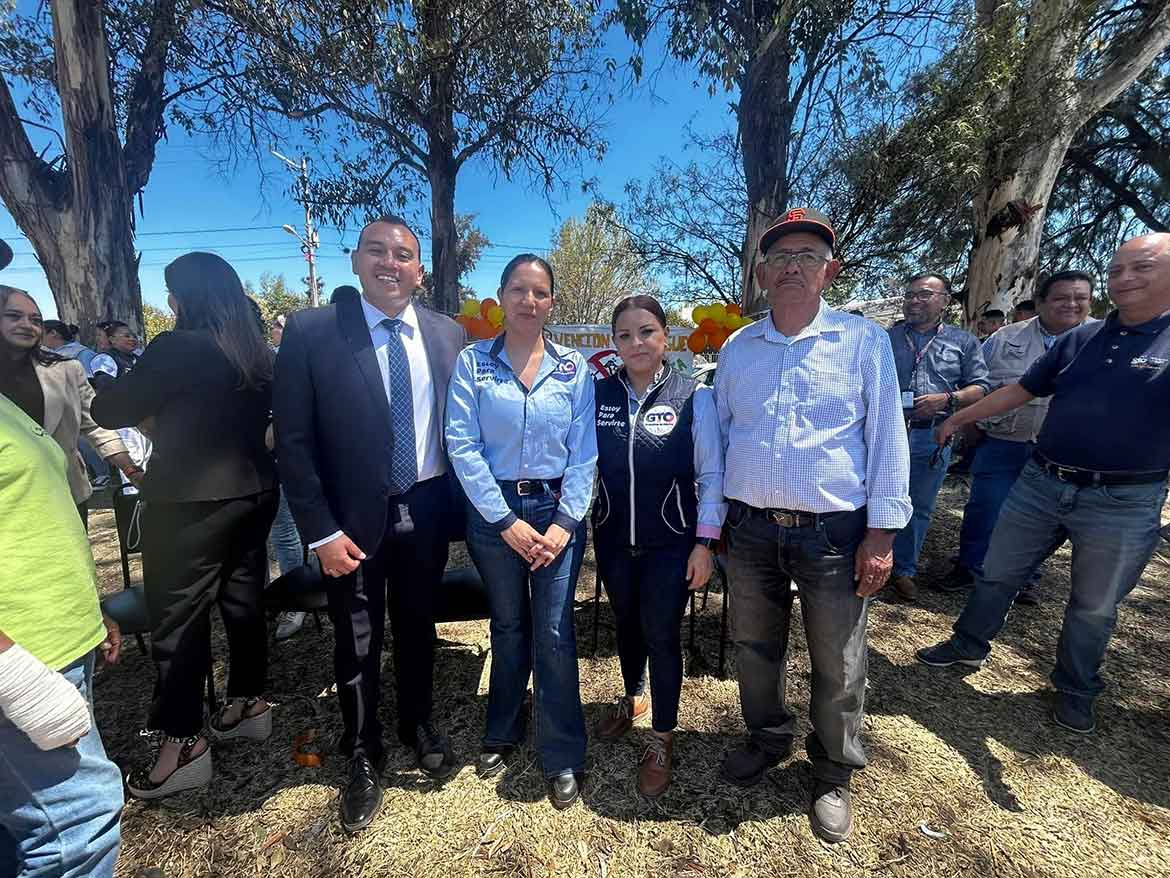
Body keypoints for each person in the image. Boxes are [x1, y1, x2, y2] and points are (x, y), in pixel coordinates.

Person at [918, 233, 1170, 736]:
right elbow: (1021, 389)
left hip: (1123, 499)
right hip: (1042, 482)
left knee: (1093, 605)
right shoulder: (1082, 338)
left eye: (1141, 267)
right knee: (996, 572)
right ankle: (968, 645)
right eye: (1116, 269)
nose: (1123, 279)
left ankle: (1076, 687)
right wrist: (959, 417)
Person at [714, 207, 911, 843]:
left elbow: (887, 438)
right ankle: (767, 737)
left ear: (830, 270)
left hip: (834, 534)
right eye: (779, 257)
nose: (792, 267)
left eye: (807, 256)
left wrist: (882, 534)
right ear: (762, 274)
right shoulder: (738, 349)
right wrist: (716, 522)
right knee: (754, 648)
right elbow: (720, 439)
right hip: (750, 531)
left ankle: (832, 769)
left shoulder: (863, 341)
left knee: (838, 660)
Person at [273, 216, 465, 834]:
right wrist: (321, 532)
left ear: (420, 270)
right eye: (376, 251)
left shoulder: (448, 333)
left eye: (404, 254)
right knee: (356, 639)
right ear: (355, 261)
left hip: (427, 508)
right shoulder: (312, 331)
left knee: (417, 626)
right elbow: (294, 444)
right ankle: (362, 748)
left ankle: (416, 722)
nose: (390, 263)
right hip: (348, 524)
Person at [93, 252, 278, 799]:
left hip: (186, 499)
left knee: (178, 619)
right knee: (244, 600)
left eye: (171, 291)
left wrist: (130, 401)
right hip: (255, 490)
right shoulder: (256, 353)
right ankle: (248, 703)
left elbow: (110, 411)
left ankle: (182, 742)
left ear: (183, 297)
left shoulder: (174, 348)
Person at [446, 254, 597, 811]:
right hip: (496, 514)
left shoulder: (574, 369)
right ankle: (503, 727)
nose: (528, 301)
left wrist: (563, 525)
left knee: (554, 631)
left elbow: (584, 453)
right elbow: (462, 445)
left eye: (539, 292)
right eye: (518, 290)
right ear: (502, 296)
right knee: (508, 624)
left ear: (551, 301)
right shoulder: (473, 363)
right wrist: (505, 521)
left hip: (557, 509)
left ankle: (561, 751)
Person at [591, 294, 724, 798]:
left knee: (662, 635)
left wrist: (705, 543)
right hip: (612, 539)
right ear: (614, 343)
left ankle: (662, 737)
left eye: (646, 331)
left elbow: (711, 477)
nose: (637, 343)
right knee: (627, 624)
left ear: (666, 337)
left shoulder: (694, 398)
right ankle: (634, 697)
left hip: (671, 543)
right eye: (624, 335)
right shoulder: (598, 395)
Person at [0, 393, 125, 878]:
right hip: (24, 659)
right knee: (78, 825)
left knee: (21, 829)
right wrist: (12, 671)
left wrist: (89, 607)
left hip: (50, 643)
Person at [942, 271, 1097, 600]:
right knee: (985, 509)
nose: (1070, 304)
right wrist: (969, 427)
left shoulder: (1104, 339)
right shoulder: (1005, 337)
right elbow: (978, 385)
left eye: (1080, 298)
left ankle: (1024, 578)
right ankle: (968, 566)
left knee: (1041, 520)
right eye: (1060, 298)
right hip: (1003, 442)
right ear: (1040, 302)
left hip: (1061, 455)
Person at [0, 287, 141, 523]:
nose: (27, 324)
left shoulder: (67, 369)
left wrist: (131, 470)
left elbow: (96, 425)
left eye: (35, 320)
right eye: (14, 316)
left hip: (65, 493)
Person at [887, 274, 989, 601]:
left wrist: (947, 399)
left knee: (918, 506)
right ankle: (867, 564)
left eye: (924, 294)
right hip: (885, 433)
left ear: (945, 301)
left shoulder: (963, 342)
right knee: (874, 498)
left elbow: (981, 387)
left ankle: (903, 570)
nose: (914, 301)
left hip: (931, 436)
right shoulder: (885, 338)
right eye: (909, 295)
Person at [264, 312, 307, 641]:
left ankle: (295, 600)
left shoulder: (276, 363)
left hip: (277, 463)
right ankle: (262, 600)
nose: (276, 330)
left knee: (284, 534)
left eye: (280, 325)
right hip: (241, 469)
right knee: (252, 543)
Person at [89, 321, 140, 389]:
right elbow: (106, 387)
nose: (132, 339)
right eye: (127, 336)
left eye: (134, 336)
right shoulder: (105, 359)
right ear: (112, 339)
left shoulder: (139, 359)